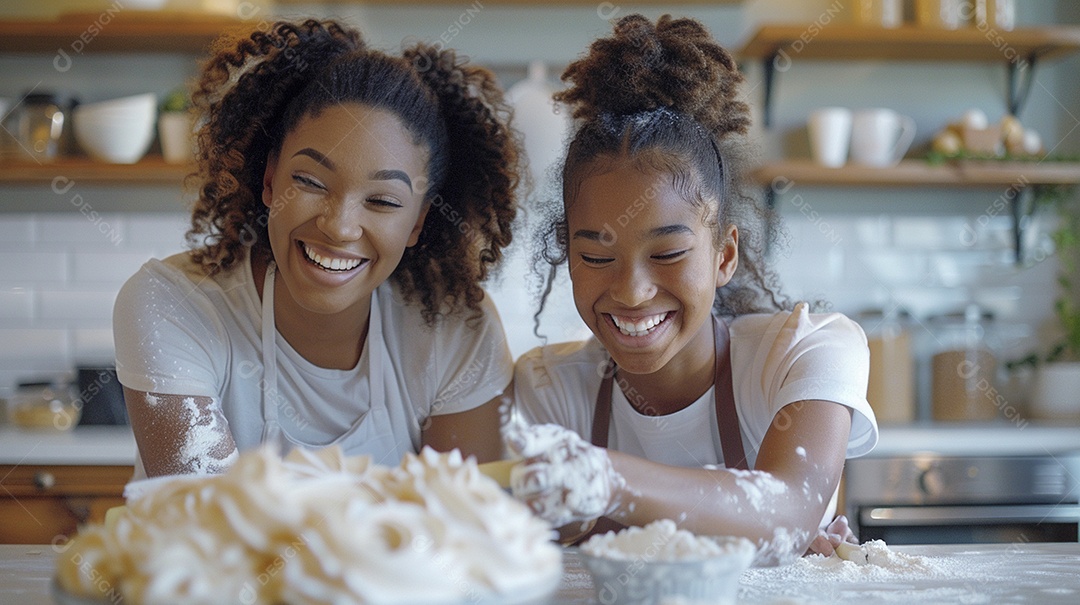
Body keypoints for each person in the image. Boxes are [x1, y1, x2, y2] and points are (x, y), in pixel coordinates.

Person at [508, 14, 878, 566]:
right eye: (596, 257)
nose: (632, 292)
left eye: (667, 254)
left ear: (723, 255)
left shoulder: (805, 353)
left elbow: (788, 508)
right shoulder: (549, 392)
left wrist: (600, 476)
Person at [113, 19, 521, 478]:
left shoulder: (455, 330)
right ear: (270, 181)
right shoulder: (174, 304)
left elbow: (467, 525)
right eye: (309, 181)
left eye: (383, 201)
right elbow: (210, 519)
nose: (340, 227)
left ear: (418, 222)